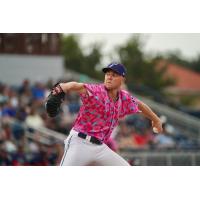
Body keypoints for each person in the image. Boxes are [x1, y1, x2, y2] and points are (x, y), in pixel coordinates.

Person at [45, 62, 163, 166]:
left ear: (122, 79)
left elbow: (140, 105)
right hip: (80, 143)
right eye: (107, 74)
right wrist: (62, 87)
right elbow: (77, 86)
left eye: (114, 75)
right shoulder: (97, 91)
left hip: (100, 148)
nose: (109, 77)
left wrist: (156, 119)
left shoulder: (124, 98)